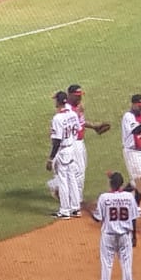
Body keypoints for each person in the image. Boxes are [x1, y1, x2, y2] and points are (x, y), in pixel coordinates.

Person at [92, 172, 138, 280]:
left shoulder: (104, 197)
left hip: (108, 236)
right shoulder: (129, 197)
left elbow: (98, 218)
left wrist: (90, 212)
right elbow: (134, 217)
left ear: (111, 183)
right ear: (122, 184)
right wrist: (134, 236)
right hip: (125, 236)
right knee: (126, 265)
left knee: (107, 265)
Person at [68, 84, 111, 210]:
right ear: (69, 95)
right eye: (76, 96)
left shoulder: (78, 107)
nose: (79, 98)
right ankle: (76, 200)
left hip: (79, 143)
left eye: (80, 95)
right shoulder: (68, 110)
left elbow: (81, 122)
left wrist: (94, 126)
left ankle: (61, 189)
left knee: (78, 170)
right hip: (73, 143)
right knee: (78, 172)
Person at [47, 90, 82, 219]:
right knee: (72, 179)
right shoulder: (73, 114)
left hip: (63, 151)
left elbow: (56, 141)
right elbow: (78, 130)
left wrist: (51, 159)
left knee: (63, 181)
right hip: (72, 148)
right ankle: (75, 208)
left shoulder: (57, 118)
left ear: (58, 101)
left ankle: (64, 211)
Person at [121, 94, 141, 208]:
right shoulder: (128, 117)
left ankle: (119, 196)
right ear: (133, 104)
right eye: (139, 105)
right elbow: (136, 131)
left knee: (138, 181)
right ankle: (135, 206)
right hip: (132, 152)